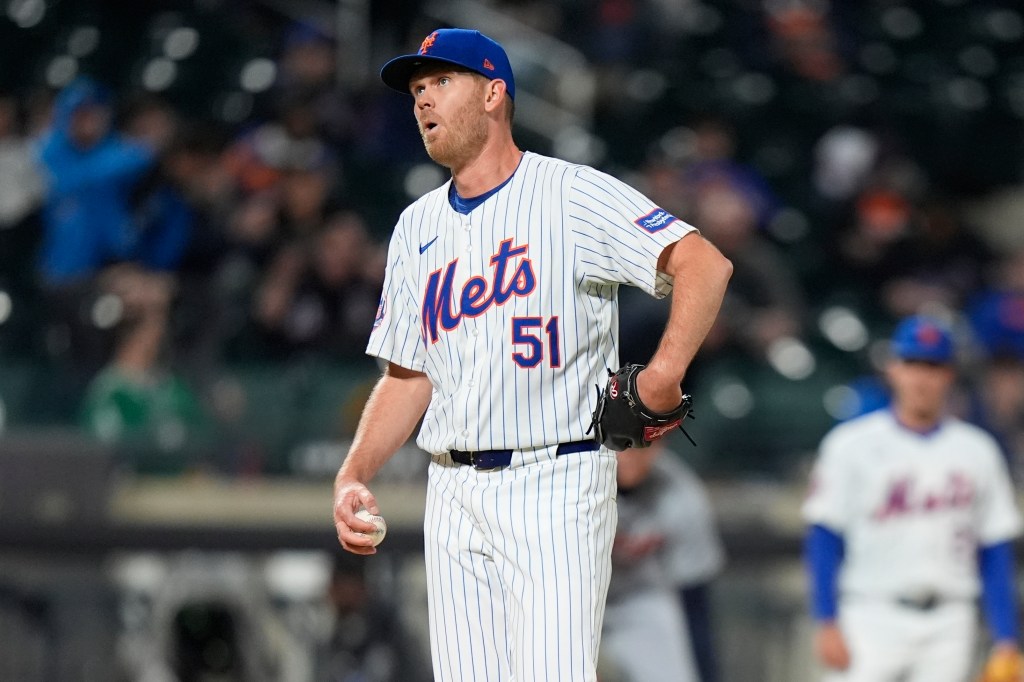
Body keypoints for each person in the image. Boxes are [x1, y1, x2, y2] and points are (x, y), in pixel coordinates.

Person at [331, 28, 732, 682]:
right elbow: (407, 376)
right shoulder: (416, 227)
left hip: (556, 480)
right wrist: (354, 473)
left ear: (493, 93)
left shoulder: (570, 194)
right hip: (452, 488)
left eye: (441, 82)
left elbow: (703, 265)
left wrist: (663, 372)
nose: (423, 101)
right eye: (417, 89)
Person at [802, 314, 1023, 682]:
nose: (921, 377)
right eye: (912, 363)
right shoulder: (850, 444)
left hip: (951, 621)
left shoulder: (978, 450)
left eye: (933, 365)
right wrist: (825, 618)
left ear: (949, 374)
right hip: (870, 614)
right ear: (893, 369)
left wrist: (1006, 637)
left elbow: (994, 550)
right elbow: (824, 537)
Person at [601, 438, 725, 682]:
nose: (631, 453)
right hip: (569, 596)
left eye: (643, 444)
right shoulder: (573, 482)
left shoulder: (681, 494)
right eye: (623, 443)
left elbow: (694, 603)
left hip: (636, 600)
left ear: (661, 446)